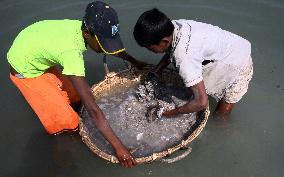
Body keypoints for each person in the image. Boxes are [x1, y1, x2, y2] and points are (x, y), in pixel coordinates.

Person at [7, 1, 145, 168]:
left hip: (36, 49)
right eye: (102, 44)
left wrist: (134, 61)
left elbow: (112, 47)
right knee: (68, 123)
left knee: (75, 97)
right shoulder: (71, 54)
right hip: (26, 69)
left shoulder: (81, 28)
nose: (105, 49)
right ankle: (63, 165)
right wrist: (119, 147)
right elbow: (94, 110)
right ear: (87, 33)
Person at [133, 8, 253, 119]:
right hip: (231, 45)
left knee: (222, 111)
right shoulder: (174, 26)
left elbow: (202, 102)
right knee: (197, 84)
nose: (150, 51)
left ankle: (222, 126)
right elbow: (171, 49)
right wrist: (157, 71)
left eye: (150, 48)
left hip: (238, 62)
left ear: (164, 41)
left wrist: (166, 113)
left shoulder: (184, 57)